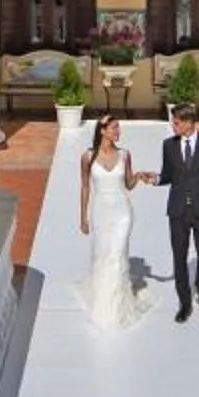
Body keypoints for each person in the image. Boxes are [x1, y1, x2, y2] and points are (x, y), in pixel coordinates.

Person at [75, 115, 149, 332]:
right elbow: (85, 187)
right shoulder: (88, 157)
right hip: (100, 212)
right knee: (103, 255)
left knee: (117, 256)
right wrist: (83, 217)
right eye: (114, 128)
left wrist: (139, 176)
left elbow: (128, 184)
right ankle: (102, 301)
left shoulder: (125, 154)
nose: (118, 131)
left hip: (122, 213)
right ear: (102, 130)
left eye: (118, 128)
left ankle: (116, 309)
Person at [155, 103, 199, 323]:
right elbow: (168, 175)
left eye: (176, 123)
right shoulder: (168, 145)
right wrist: (155, 179)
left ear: (188, 122)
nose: (173, 126)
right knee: (179, 259)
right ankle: (184, 303)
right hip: (177, 211)